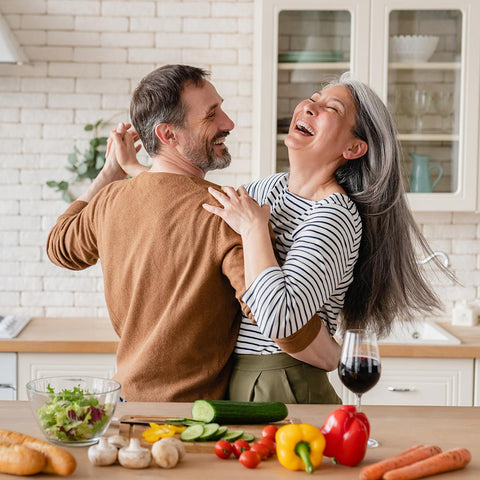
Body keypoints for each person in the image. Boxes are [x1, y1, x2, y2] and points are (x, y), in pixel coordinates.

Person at [202, 72, 447, 403]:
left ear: (353, 147)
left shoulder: (335, 216)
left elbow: (280, 320)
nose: (309, 107)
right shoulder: (264, 189)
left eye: (331, 107)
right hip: (235, 376)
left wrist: (254, 229)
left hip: (284, 381)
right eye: (313, 98)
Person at [46, 64, 250, 402]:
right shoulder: (225, 211)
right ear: (168, 135)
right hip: (192, 418)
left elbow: (59, 246)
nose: (228, 123)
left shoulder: (110, 199)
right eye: (212, 115)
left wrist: (109, 173)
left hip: (125, 406)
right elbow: (272, 314)